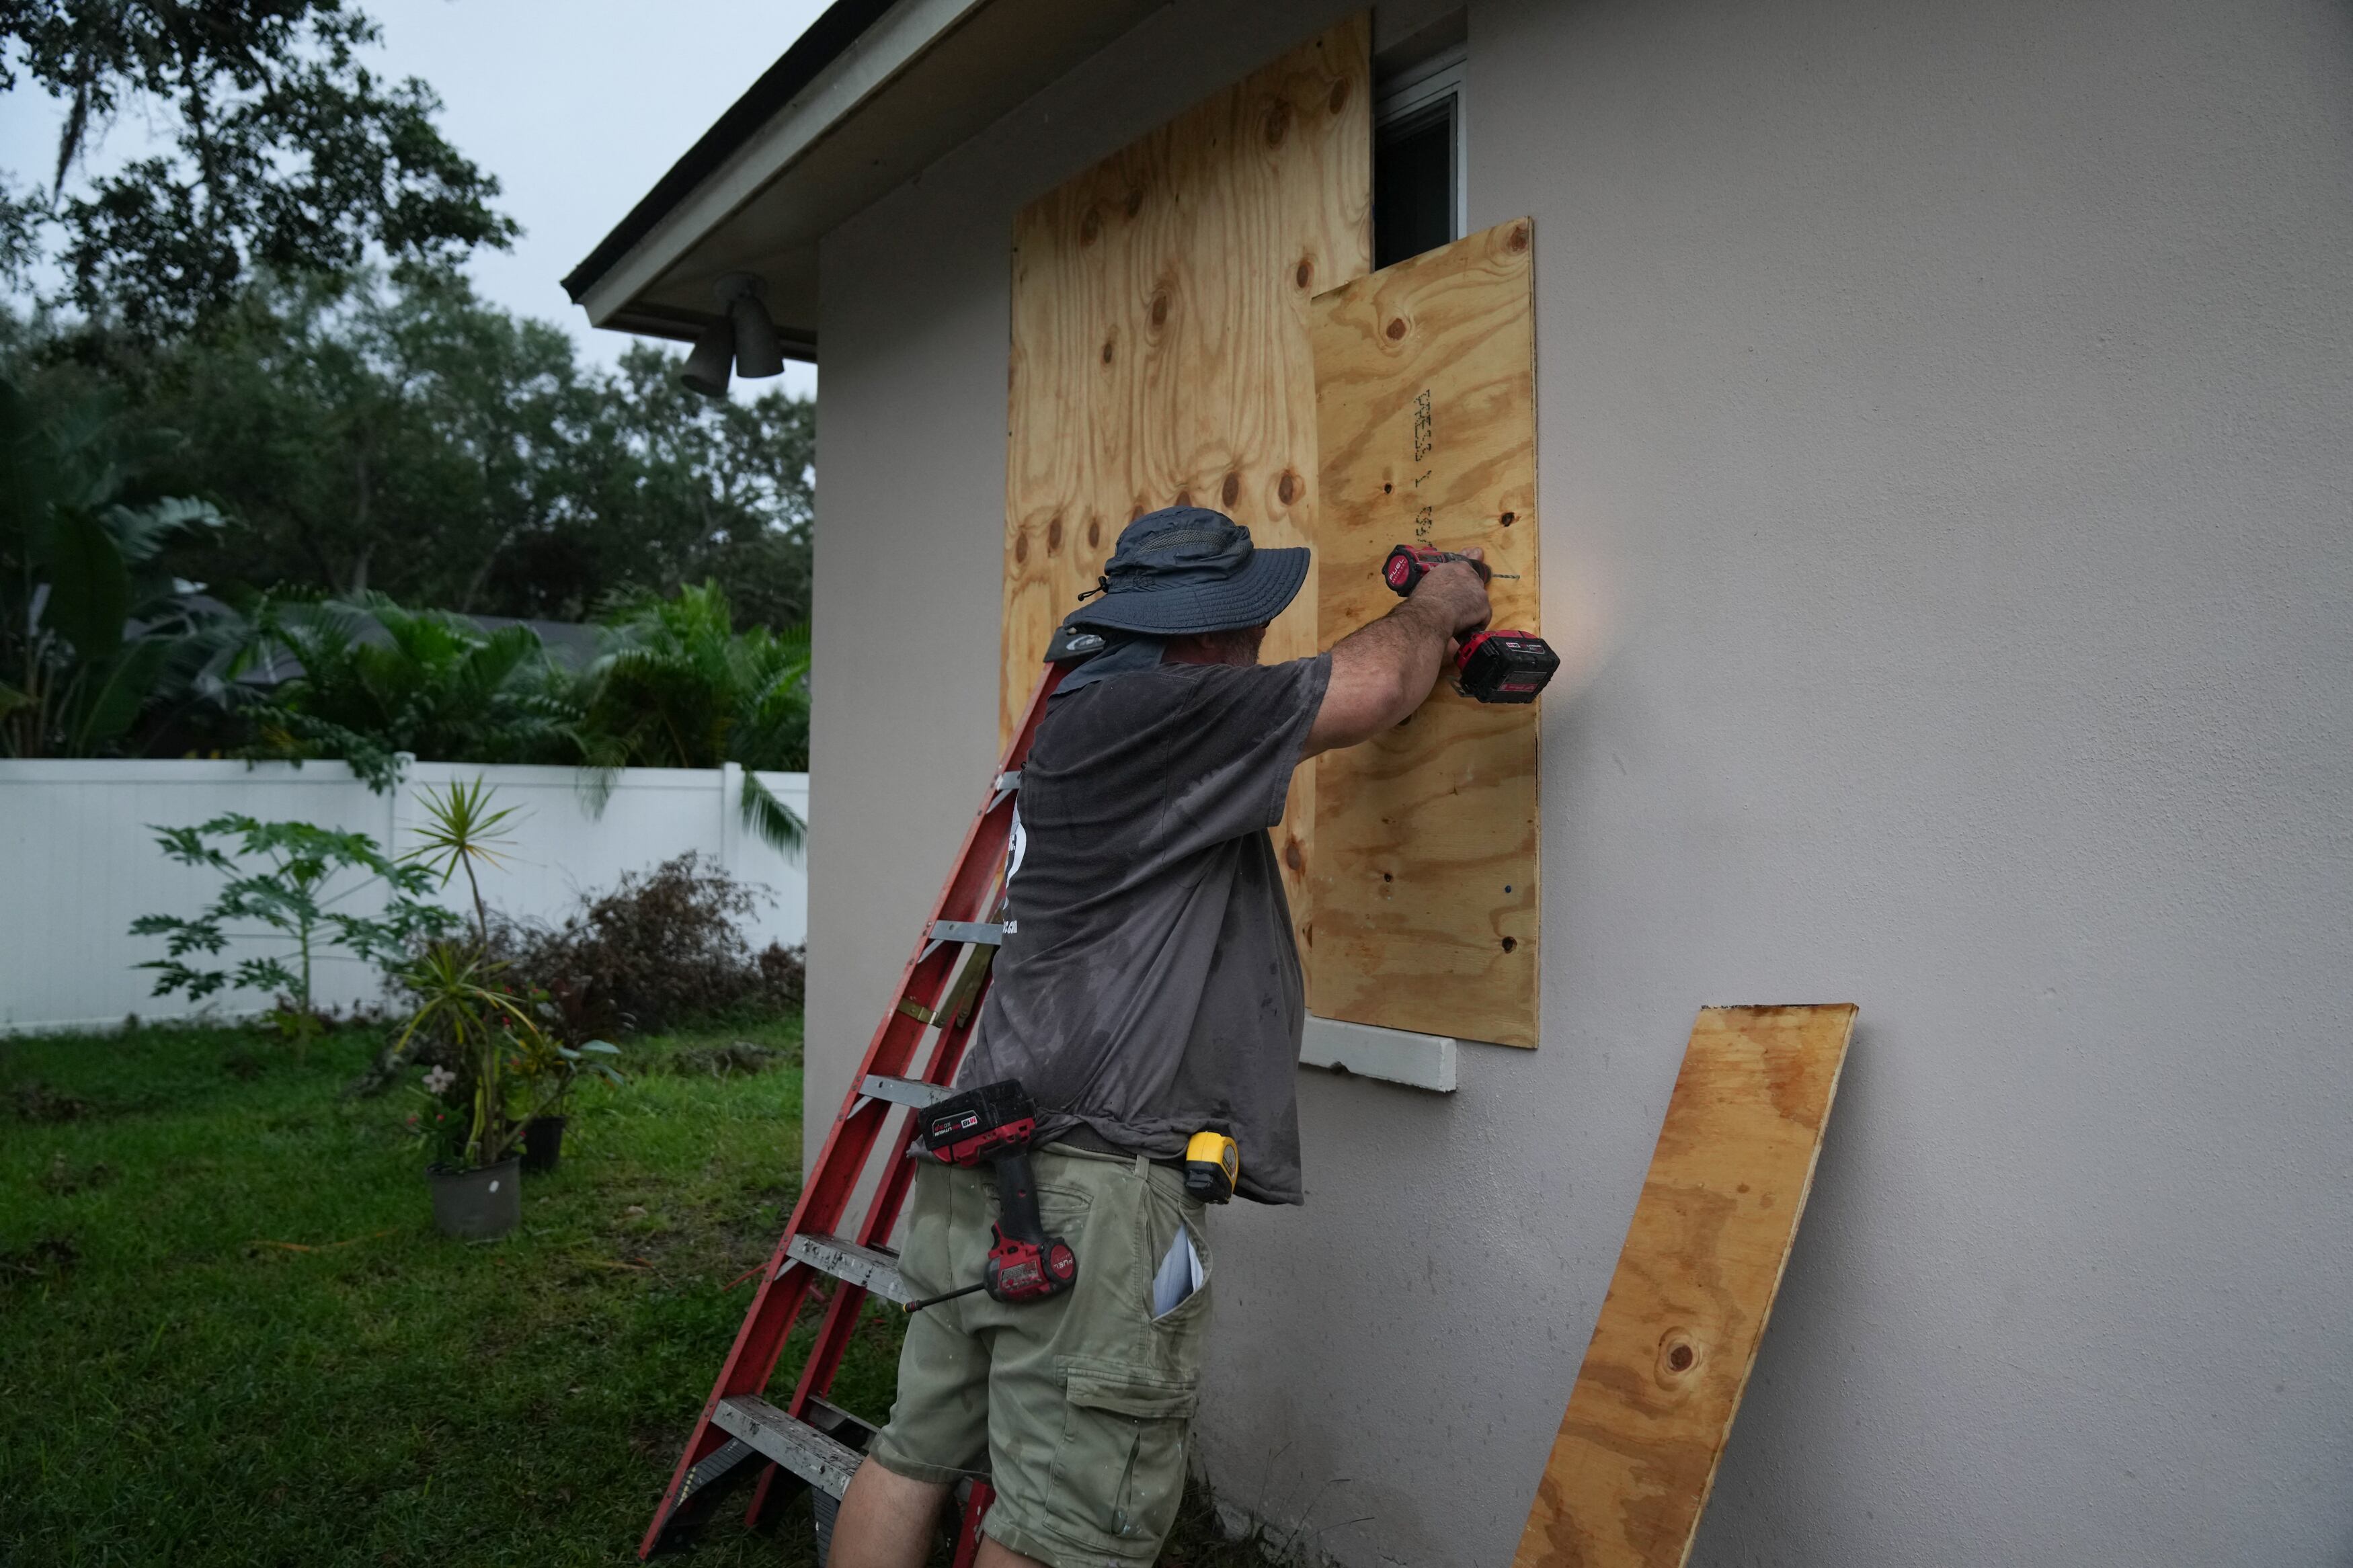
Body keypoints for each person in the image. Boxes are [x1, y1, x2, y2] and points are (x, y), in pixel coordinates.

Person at [830, 507, 1493, 1568]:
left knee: (917, 1447)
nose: (1258, 647)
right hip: (1088, 1194)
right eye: (1246, 624)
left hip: (986, 1161)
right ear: (1201, 637)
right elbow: (1374, 687)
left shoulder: (1087, 718)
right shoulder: (1159, 711)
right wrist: (1441, 603)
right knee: (1062, 1523)